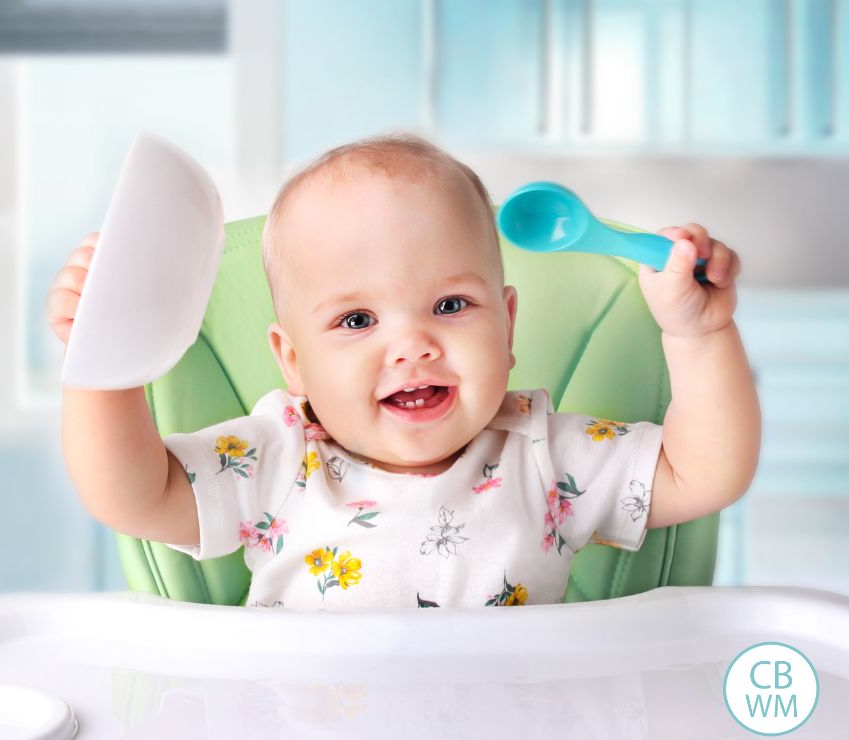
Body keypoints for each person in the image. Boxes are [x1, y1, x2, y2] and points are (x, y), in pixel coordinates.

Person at [47, 134, 760, 609]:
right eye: (357, 322)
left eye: (451, 305)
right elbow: (133, 495)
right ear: (292, 362)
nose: (413, 345)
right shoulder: (276, 458)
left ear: (508, 326)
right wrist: (104, 361)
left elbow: (704, 473)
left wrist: (699, 335)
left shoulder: (544, 454)